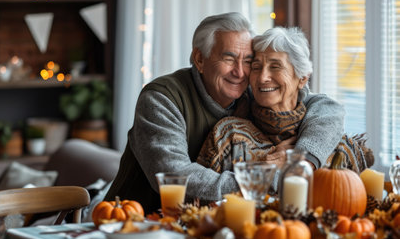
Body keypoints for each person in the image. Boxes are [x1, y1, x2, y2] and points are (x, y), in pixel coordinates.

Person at [104, 12, 345, 214]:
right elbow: (174, 176)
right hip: (137, 221)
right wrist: (267, 179)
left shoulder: (251, 90)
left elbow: (326, 107)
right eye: (229, 58)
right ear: (200, 59)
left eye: (248, 61)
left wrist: (303, 158)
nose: (240, 72)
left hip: (214, 222)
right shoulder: (161, 98)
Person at [197, 26, 373, 174]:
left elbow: (360, 201)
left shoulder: (331, 141)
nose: (263, 77)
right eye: (256, 67)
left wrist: (301, 160)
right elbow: (197, 203)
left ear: (303, 78)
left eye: (275, 67)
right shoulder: (229, 135)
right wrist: (265, 171)